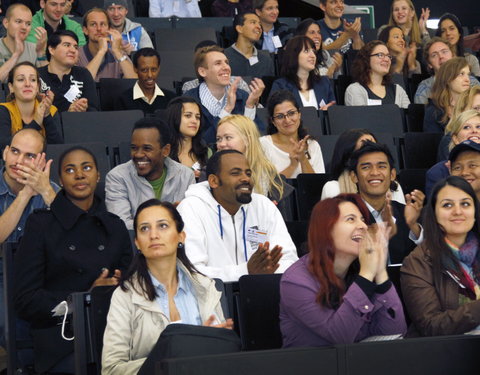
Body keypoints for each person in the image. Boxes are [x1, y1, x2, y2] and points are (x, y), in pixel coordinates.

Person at [14, 146, 133, 373]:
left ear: (98, 175)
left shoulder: (114, 225)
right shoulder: (41, 225)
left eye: (86, 168)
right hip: (61, 338)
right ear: (60, 179)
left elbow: (131, 285)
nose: (79, 175)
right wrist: (86, 298)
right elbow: (25, 300)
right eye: (70, 170)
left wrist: (116, 287)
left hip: (114, 334)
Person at [102, 199, 232, 374]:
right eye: (144, 228)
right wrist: (180, 355)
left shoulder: (205, 287)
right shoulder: (125, 295)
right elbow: (111, 370)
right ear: (137, 243)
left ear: (181, 236)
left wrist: (214, 344)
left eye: (162, 226)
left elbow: (223, 359)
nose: (153, 235)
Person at [280, 194, 407, 347]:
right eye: (351, 219)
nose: (363, 226)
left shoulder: (361, 271)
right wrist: (366, 276)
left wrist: (380, 273)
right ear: (326, 230)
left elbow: (395, 332)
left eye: (362, 220)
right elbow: (339, 338)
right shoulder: (295, 281)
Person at [177, 150, 298, 281]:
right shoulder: (191, 208)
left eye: (248, 173)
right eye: (235, 173)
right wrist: (245, 271)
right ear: (213, 181)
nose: (246, 179)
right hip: (215, 297)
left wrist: (266, 271)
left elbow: (289, 260)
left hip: (264, 290)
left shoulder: (263, 206)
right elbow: (192, 271)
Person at [0, 129, 59, 349]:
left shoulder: (50, 191)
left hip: (42, 275)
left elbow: (73, 237)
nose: (19, 161)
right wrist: (25, 194)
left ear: (41, 161)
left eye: (29, 156)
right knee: (13, 330)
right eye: (15, 152)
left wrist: (46, 192)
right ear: (5, 153)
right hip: (2, 274)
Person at [401, 176, 480, 337]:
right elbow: (431, 325)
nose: (457, 211)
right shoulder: (418, 261)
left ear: (475, 212)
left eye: (465, 204)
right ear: (434, 214)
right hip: (450, 353)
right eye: (447, 205)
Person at [106, 117, 195, 230]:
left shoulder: (185, 176)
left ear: (165, 150)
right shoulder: (117, 177)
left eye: (147, 148)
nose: (138, 155)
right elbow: (120, 224)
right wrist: (167, 219)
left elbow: (192, 221)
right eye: (134, 148)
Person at [349, 141, 424, 264]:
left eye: (382, 166)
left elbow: (423, 261)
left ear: (392, 174)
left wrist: (413, 226)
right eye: (366, 167)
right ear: (354, 176)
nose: (374, 173)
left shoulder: (407, 213)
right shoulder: (344, 215)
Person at [184, 45, 265, 144]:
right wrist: (227, 109)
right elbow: (201, 142)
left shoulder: (243, 96)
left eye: (226, 63)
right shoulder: (189, 100)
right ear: (202, 71)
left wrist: (249, 107)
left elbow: (256, 138)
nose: (226, 67)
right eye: (218, 63)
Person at [321, 128, 405, 204]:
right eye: (364, 149)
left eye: (373, 147)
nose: (371, 152)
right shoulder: (333, 188)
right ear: (348, 157)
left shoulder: (394, 187)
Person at [216, 114, 284, 200]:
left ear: (248, 140)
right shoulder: (211, 172)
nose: (221, 144)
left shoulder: (270, 175)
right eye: (219, 139)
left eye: (228, 137)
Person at [260, 90, 325, 178]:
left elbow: (317, 186)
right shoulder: (262, 145)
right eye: (280, 116)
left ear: (299, 114)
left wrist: (303, 159)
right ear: (273, 121)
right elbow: (266, 188)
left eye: (291, 113)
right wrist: (292, 165)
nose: (287, 120)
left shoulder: (312, 145)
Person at [0, 61, 63, 150]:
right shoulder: (3, 110)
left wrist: (47, 116)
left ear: (37, 87)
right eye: (21, 79)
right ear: (11, 87)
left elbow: (58, 149)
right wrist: (36, 123)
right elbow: (3, 147)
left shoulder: (52, 111)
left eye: (33, 80)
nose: (27, 84)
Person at [38, 30, 99, 112]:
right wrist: (67, 112)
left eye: (76, 47)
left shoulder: (83, 74)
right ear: (52, 50)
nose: (73, 50)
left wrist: (84, 109)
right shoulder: (37, 75)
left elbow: (95, 110)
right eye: (67, 45)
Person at [270, 36, 335, 110]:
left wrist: (327, 113)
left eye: (313, 51)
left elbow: (335, 114)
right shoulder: (281, 86)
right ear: (294, 55)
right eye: (306, 51)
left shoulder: (324, 83)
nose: (313, 56)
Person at [425, 110, 480, 197]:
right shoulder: (438, 172)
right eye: (466, 127)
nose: (474, 131)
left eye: (479, 127)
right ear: (455, 138)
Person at [345, 40, 410, 109]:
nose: (387, 59)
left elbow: (407, 117)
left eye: (388, 56)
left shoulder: (398, 91)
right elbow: (361, 118)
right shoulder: (355, 90)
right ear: (366, 59)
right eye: (380, 55)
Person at [414, 37, 479, 105]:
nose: (441, 56)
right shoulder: (425, 88)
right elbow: (423, 114)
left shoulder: (471, 81)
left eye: (444, 52)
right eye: (434, 55)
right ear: (429, 64)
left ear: (453, 56)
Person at [77, 8, 137, 81]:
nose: (99, 28)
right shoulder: (76, 54)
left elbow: (135, 81)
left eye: (103, 24)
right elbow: (83, 83)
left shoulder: (118, 54)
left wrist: (117, 52)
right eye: (93, 24)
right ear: (85, 30)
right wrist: (101, 52)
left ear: (109, 29)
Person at [114, 48, 176, 114]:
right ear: (135, 69)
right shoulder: (123, 100)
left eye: (154, 70)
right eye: (144, 70)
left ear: (159, 69)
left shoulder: (171, 99)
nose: (150, 75)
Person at [0, 4, 48, 82]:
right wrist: (16, 54)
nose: (24, 27)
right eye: (18, 22)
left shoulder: (34, 48)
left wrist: (41, 53)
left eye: (28, 24)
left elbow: (47, 81)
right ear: (6, 23)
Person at [166, 96, 211, 179]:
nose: (194, 121)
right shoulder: (163, 153)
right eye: (188, 116)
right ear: (174, 117)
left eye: (197, 117)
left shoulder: (206, 152)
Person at [424, 57, 471, 133]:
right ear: (448, 78)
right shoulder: (434, 111)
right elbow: (435, 143)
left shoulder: (475, 103)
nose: (467, 79)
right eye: (461, 74)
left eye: (468, 74)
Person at [223, 12, 275, 77]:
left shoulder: (266, 60)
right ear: (239, 28)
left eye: (259, 24)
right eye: (253, 22)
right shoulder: (223, 57)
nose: (259, 27)